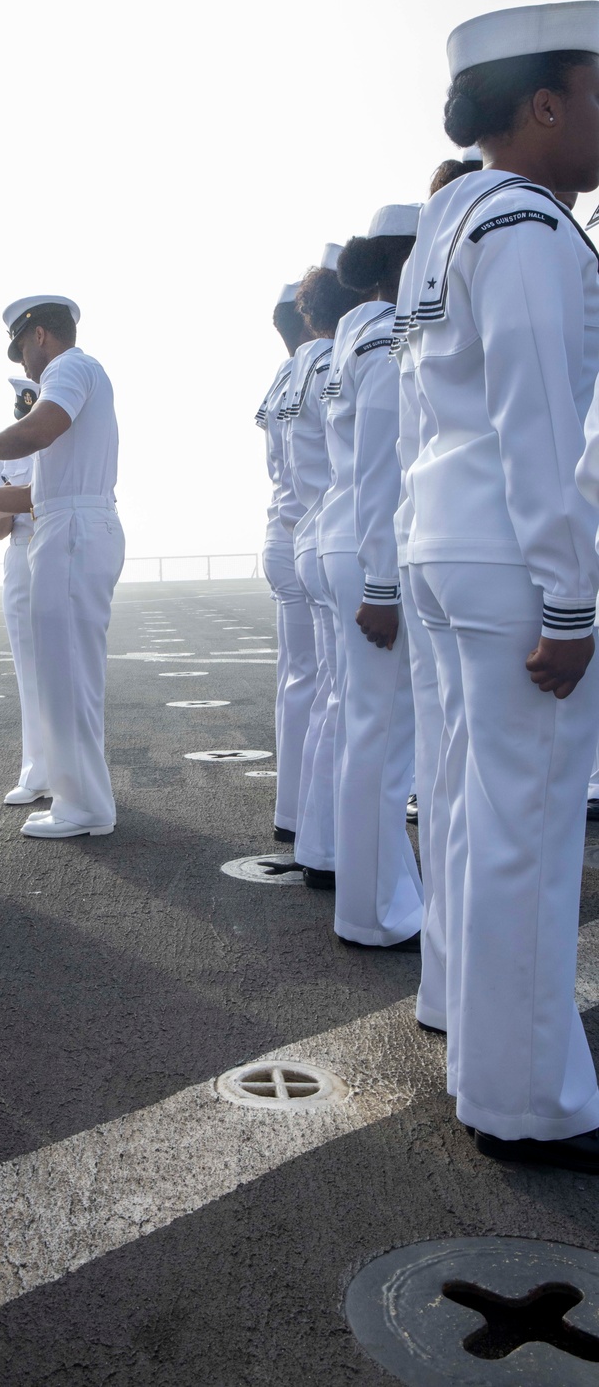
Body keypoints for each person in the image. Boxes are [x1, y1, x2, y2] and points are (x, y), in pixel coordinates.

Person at [397, 0, 599, 1170]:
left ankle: (478, 1048)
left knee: (477, 819)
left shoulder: (451, 217)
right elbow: (540, 430)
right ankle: (526, 1102)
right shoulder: (524, 224)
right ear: (542, 106)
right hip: (515, 558)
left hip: (448, 542)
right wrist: (572, 602)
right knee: (521, 828)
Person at [0, 295, 124, 838]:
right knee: (66, 675)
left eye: (20, 350)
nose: (23, 366)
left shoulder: (70, 366)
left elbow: (37, 432)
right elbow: (34, 496)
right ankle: (82, 798)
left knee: (66, 674)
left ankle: (83, 805)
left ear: (38, 335)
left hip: (73, 533)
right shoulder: (81, 372)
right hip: (70, 524)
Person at [317, 205, 424, 950]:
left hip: (343, 540)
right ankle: (379, 912)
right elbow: (384, 466)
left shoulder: (353, 337)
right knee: (384, 741)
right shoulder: (388, 338)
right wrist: (384, 586)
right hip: (369, 549)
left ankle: (370, 902)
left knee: (368, 733)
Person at [275, 248, 369, 888]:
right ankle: (331, 845)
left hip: (299, 532)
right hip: (339, 533)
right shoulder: (341, 356)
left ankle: (307, 824)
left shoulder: (290, 372)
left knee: (313, 688)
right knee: (348, 702)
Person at [257, 283, 315, 848]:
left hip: (285, 532)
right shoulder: (324, 365)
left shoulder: (285, 374)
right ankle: (314, 821)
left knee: (298, 682)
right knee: (324, 687)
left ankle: (295, 811)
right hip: (314, 535)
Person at [0, 377, 48, 805]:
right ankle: (34, 770)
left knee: (64, 667)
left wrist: (21, 500)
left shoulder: (64, 445)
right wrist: (12, 502)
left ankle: (69, 770)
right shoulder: (7, 459)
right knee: (28, 669)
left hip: (55, 551)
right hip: (19, 555)